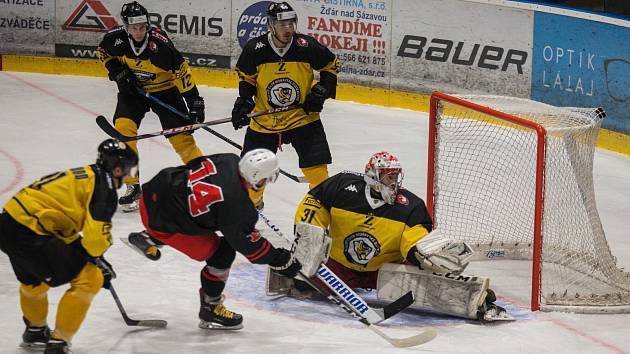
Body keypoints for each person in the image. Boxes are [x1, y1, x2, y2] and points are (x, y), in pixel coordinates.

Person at [279, 151, 510, 321]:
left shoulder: (410, 206)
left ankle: (477, 300)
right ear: (371, 176)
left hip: (383, 273)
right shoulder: (341, 186)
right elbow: (314, 201)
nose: (394, 183)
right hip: (339, 267)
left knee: (424, 281)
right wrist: (311, 231)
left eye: (396, 177)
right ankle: (296, 275)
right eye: (389, 177)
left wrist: (425, 253)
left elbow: (415, 238)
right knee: (300, 268)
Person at [125, 149, 305, 330]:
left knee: (204, 217)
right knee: (222, 254)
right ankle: (210, 308)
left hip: (154, 192)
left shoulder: (228, 159)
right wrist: (279, 259)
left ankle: (149, 238)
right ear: (258, 177)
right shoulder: (238, 207)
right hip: (161, 222)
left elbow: (193, 167)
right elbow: (251, 248)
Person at [0, 139, 138, 353]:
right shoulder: (105, 189)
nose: (128, 175)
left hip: (9, 225)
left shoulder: (87, 174)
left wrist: (93, 256)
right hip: (32, 232)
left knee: (34, 282)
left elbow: (62, 222)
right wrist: (94, 258)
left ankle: (35, 331)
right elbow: (94, 240)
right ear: (117, 168)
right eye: (127, 169)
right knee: (90, 279)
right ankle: (58, 343)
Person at [97, 1, 206, 212]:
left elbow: (182, 73)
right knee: (124, 132)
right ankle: (132, 186)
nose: (139, 32)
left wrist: (194, 101)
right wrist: (119, 73)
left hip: (165, 91)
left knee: (182, 138)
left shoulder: (161, 47)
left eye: (142, 27)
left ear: (147, 24)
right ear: (126, 27)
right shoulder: (114, 40)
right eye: (134, 28)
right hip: (134, 91)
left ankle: (205, 180)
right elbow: (103, 53)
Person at [231, 1, 340, 209]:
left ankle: (315, 217)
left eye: (291, 23)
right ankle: (253, 204)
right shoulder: (255, 49)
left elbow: (331, 65)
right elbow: (247, 78)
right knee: (252, 176)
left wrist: (322, 90)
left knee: (318, 175)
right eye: (282, 24)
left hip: (303, 118)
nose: (288, 28)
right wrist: (244, 102)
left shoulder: (307, 47)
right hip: (265, 122)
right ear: (271, 25)